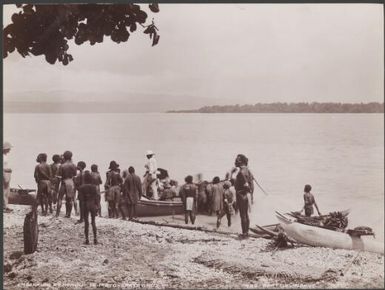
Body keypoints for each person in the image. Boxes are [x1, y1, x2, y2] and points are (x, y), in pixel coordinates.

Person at [231, 154, 254, 238]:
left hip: (242, 195)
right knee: (246, 214)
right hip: (247, 195)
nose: (235, 162)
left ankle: (244, 233)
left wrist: (245, 191)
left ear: (242, 162)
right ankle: (246, 232)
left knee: (243, 215)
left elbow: (246, 185)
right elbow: (251, 185)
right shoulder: (248, 170)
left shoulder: (241, 172)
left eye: (237, 160)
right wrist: (250, 195)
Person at [78, 170, 99, 245]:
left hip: (85, 205)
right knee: (93, 222)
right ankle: (95, 239)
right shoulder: (94, 187)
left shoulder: (81, 187)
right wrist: (97, 206)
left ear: (84, 179)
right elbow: (97, 197)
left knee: (86, 223)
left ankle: (87, 240)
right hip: (93, 204)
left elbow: (80, 198)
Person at [56, 150, 77, 218]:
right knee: (69, 199)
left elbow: (59, 177)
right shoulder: (73, 165)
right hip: (70, 182)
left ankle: (57, 214)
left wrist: (57, 187)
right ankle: (68, 214)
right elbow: (74, 175)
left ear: (64, 157)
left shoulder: (62, 166)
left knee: (60, 198)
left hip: (63, 182)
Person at [3, 142, 13, 213]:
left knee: (7, 191)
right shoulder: (3, 156)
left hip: (7, 173)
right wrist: (6, 170)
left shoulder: (5, 156)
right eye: (8, 148)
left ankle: (5, 205)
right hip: (4, 173)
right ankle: (4, 206)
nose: (9, 150)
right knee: (3, 190)